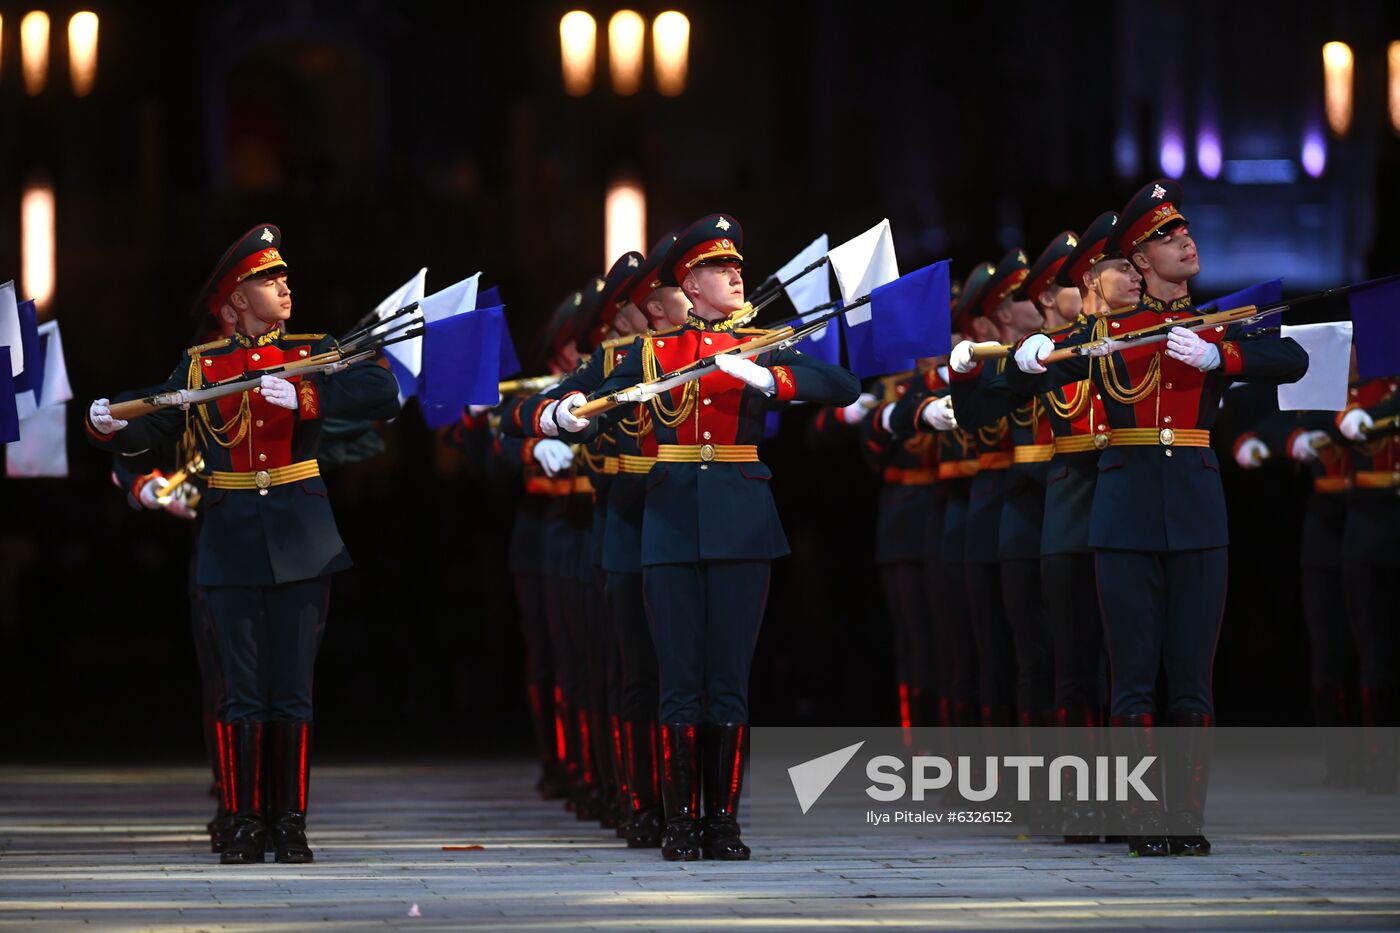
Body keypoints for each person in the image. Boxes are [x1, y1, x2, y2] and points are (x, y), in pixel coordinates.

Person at [546, 213, 860, 860]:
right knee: (680, 680)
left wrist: (774, 379)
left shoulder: (762, 343)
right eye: (721, 269)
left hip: (744, 524)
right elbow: (561, 400)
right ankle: (681, 816)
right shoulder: (644, 354)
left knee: (730, 681)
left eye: (738, 266)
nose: (737, 276)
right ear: (689, 282)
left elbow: (842, 384)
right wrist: (558, 415)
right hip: (666, 524)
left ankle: (723, 818)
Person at [87, 224, 402, 864]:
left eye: (282, 277)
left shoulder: (314, 350)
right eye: (269, 280)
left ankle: (288, 822)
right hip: (230, 534)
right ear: (233, 301)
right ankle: (241, 821)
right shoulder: (204, 366)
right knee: (240, 691)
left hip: (301, 531)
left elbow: (383, 392)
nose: (285, 287)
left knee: (293, 689)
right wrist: (110, 425)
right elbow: (158, 422)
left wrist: (311, 393)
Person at [1014, 180, 1309, 855]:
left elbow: (1290, 356)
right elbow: (1031, 373)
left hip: (1198, 507)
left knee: (1193, 672)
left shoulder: (1215, 324)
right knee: (1134, 674)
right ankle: (1146, 817)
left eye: (1184, 230)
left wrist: (1221, 355)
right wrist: (1028, 359)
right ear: (1140, 260)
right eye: (1167, 237)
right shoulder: (1106, 331)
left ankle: (1185, 816)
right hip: (1123, 509)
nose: (1186, 240)